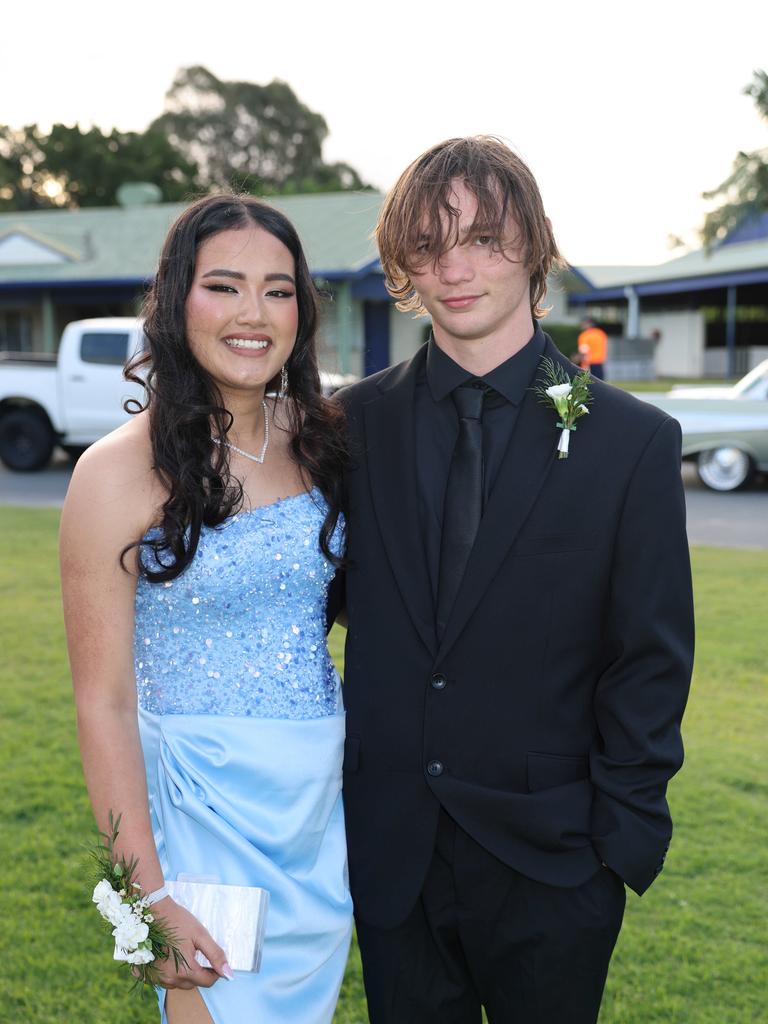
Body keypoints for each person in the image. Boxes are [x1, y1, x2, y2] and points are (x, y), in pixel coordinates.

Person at [332, 137, 694, 1023]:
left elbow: (649, 657)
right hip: (395, 858)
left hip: (557, 864)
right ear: (403, 263)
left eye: (485, 239)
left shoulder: (631, 441)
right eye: (428, 244)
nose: (455, 269)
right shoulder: (348, 426)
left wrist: (620, 836)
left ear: (532, 245)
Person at [61, 194, 352, 1024]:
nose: (253, 314)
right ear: (175, 299)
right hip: (203, 815)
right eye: (224, 287)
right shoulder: (115, 474)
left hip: (316, 819)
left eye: (278, 289)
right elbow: (102, 703)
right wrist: (144, 899)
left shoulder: (323, 442)